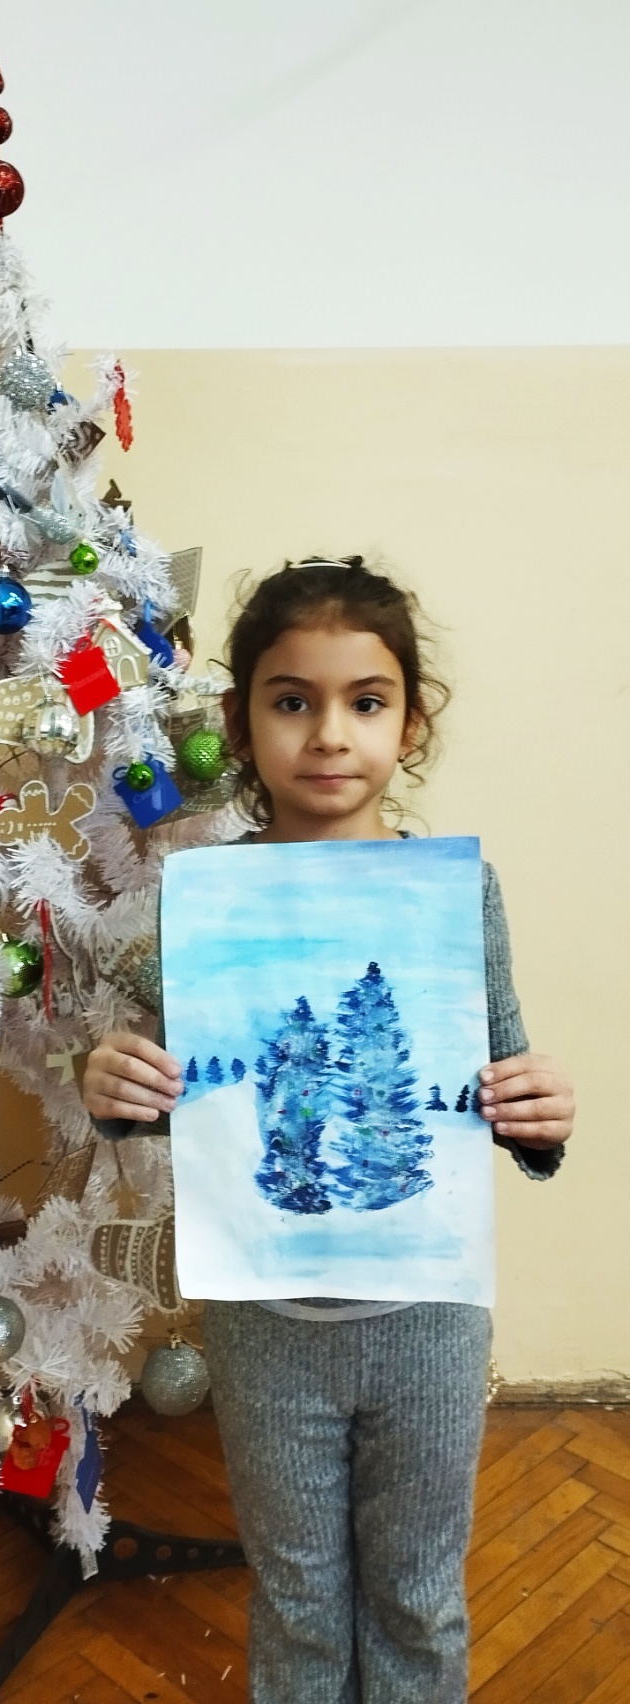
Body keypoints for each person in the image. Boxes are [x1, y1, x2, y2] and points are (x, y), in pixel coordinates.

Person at [83, 556, 575, 1704]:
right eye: (292, 700)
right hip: (265, 1326)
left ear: (412, 723)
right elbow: (177, 1100)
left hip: (429, 1322)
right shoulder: (205, 900)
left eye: (366, 701)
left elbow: (500, 1077)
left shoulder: (457, 893)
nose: (329, 735)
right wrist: (116, 1088)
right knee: (298, 1598)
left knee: (417, 1595)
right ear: (240, 721)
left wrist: (539, 1114)